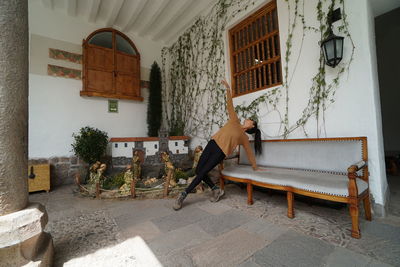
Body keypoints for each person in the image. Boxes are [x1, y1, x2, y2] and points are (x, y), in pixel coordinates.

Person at [173, 79, 262, 210]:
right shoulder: (235, 120)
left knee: (202, 171)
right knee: (198, 170)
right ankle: (216, 189)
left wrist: (255, 167)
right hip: (212, 143)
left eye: (251, 120)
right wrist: (228, 89)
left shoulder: (244, 137)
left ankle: (183, 195)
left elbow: (249, 152)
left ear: (251, 126)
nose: (248, 118)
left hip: (220, 153)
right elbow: (229, 105)